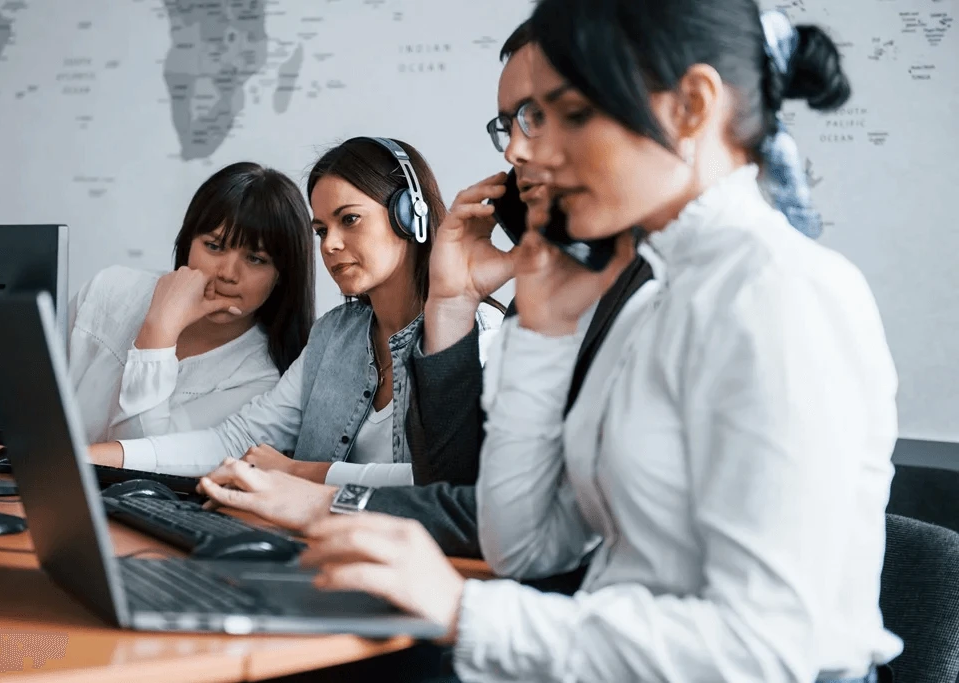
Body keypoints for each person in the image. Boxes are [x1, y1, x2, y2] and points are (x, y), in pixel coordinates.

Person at [218, 2, 905, 681]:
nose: (526, 151)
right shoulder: (657, 299)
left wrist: (466, 610)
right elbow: (522, 544)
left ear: (692, 106)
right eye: (523, 121)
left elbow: (769, 648)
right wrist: (542, 337)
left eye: (568, 114)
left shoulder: (778, 293)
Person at [196, 23, 653, 571]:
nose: (513, 150)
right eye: (508, 125)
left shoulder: (666, 295)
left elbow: (498, 521)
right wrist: (452, 302)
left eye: (541, 115)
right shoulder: (545, 300)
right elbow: (490, 506)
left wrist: (320, 494)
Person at [88, 137, 503, 487]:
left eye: (350, 220)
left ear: (409, 216)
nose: (330, 245)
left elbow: (455, 483)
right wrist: (93, 458)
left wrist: (303, 473)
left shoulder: (478, 332)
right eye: (322, 230)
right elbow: (237, 440)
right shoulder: (333, 336)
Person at [68, 162, 314, 443]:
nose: (228, 274)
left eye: (255, 259)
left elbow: (142, 458)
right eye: (214, 246)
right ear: (188, 244)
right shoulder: (110, 289)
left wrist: (159, 331)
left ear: (281, 276)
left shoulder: (262, 382)